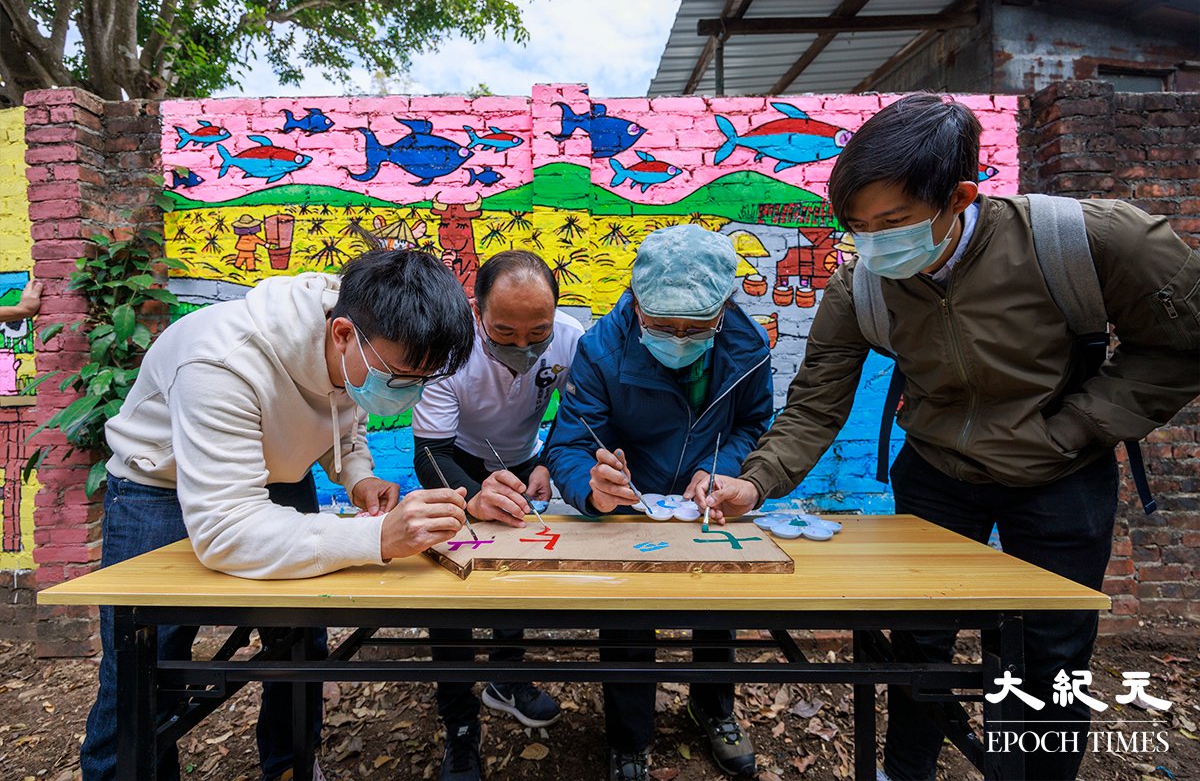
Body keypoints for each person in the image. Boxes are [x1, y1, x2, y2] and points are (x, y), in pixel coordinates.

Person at [705, 94, 1200, 781]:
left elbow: (1181, 346)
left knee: (1051, 656)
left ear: (960, 197)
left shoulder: (1089, 239)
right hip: (937, 473)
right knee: (916, 646)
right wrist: (755, 481)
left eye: (894, 222)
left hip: (1060, 473)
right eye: (858, 227)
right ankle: (905, 771)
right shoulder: (862, 288)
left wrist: (1076, 427)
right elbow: (816, 405)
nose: (874, 243)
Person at [81, 250, 476, 781]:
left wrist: (357, 475)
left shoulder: (363, 332)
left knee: (301, 641)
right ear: (341, 335)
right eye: (403, 377)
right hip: (160, 488)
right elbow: (226, 530)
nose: (408, 392)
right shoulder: (221, 360)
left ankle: (291, 764)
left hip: (273, 476)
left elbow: (348, 411)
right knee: (142, 670)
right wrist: (377, 536)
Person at [545, 224, 774, 781]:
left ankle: (713, 706)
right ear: (635, 299)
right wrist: (593, 490)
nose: (676, 338)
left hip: (705, 501)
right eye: (660, 325)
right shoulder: (600, 349)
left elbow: (753, 424)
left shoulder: (747, 347)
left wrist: (718, 469)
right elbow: (570, 443)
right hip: (629, 504)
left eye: (694, 328)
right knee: (627, 622)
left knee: (718, 608)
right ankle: (628, 740)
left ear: (724, 307)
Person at [412, 249, 583, 781]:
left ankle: (507, 679)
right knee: (454, 585)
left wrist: (551, 462)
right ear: (477, 310)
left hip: (522, 456)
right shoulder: (447, 345)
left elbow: (578, 415)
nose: (524, 346)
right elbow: (430, 454)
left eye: (538, 332)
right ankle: (460, 728)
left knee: (516, 570)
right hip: (457, 459)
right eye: (504, 332)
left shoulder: (571, 338)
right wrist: (470, 499)